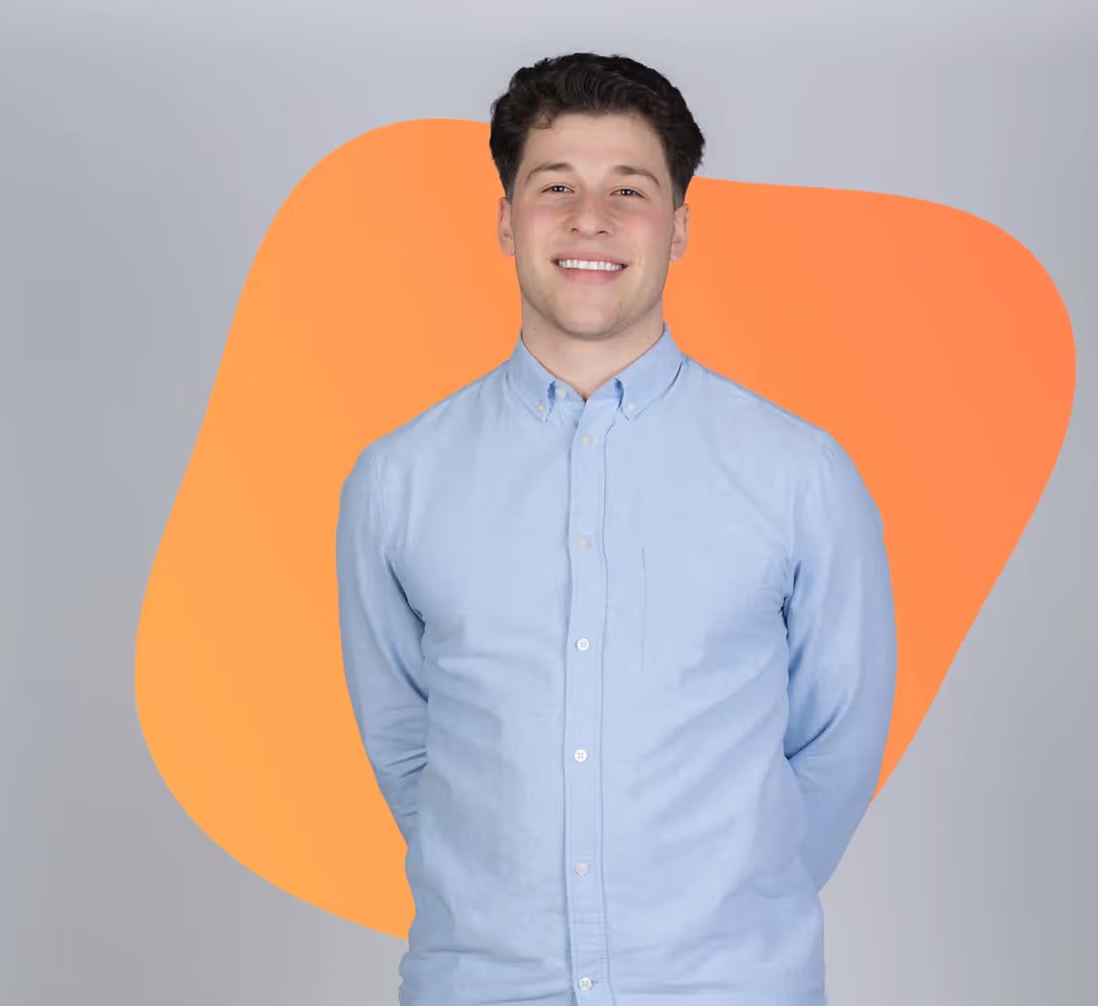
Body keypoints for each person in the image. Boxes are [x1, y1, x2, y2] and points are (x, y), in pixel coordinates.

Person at [336, 50, 897, 1006]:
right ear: (506, 220)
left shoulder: (798, 474)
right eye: (554, 187)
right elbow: (406, 746)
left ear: (678, 227)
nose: (588, 219)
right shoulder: (399, 480)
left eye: (627, 190)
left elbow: (838, 744)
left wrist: (726, 902)